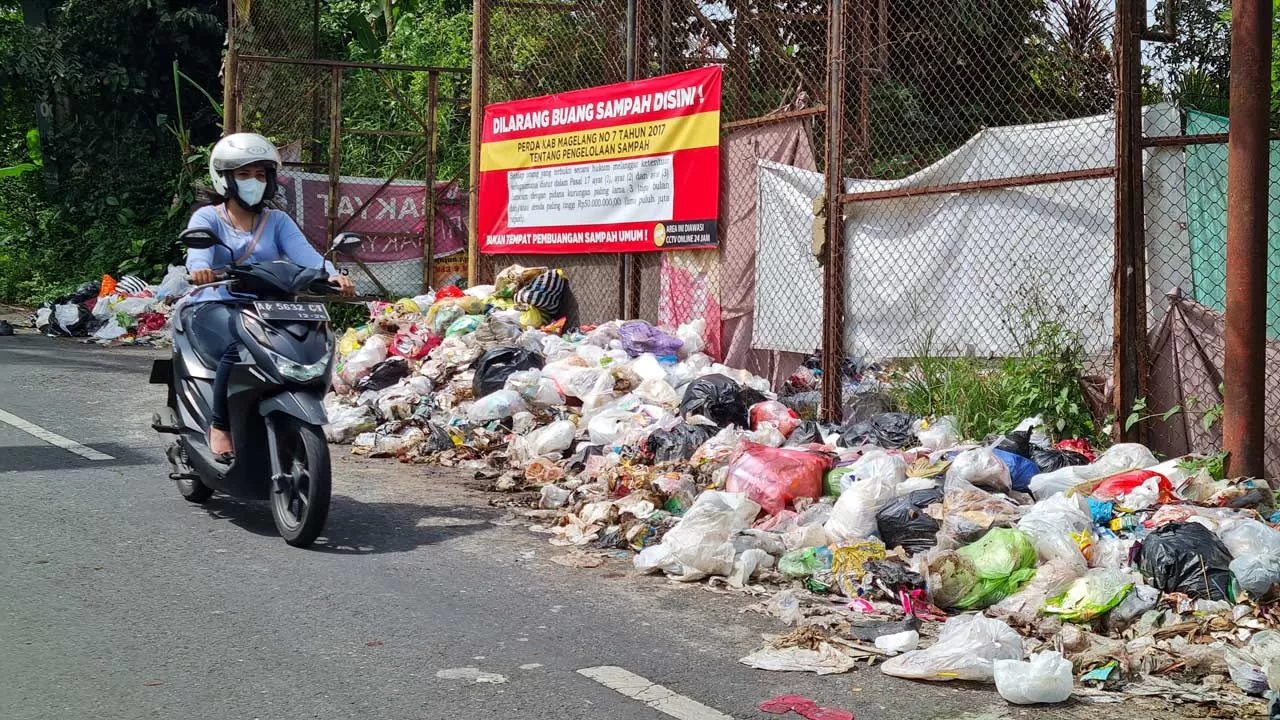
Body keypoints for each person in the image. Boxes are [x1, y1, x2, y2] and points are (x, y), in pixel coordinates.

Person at [185, 133, 355, 459]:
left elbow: (307, 256)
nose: (254, 182)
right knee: (237, 347)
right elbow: (198, 256)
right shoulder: (208, 217)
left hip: (269, 309)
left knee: (308, 340)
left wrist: (333, 275)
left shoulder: (277, 221)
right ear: (225, 179)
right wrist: (201, 270)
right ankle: (219, 425)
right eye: (244, 175)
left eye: (261, 175)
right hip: (216, 305)